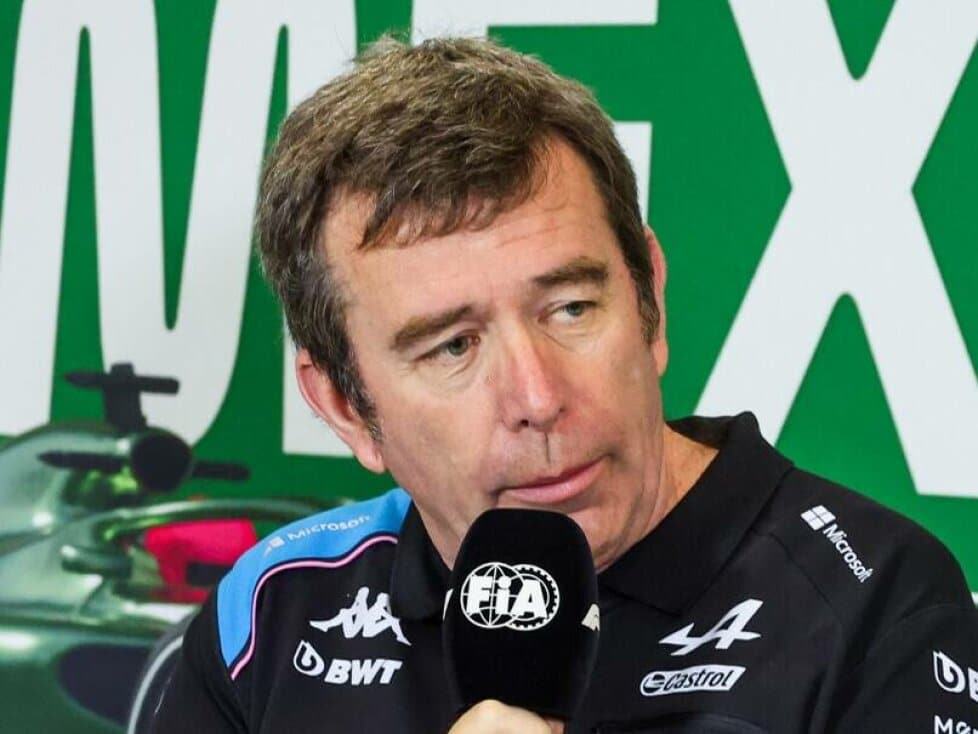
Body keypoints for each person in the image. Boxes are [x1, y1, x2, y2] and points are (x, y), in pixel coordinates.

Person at [146, 36, 978, 733]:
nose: (538, 399)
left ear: (649, 299)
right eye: (452, 347)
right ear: (343, 407)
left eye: (572, 308)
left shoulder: (877, 606)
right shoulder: (274, 609)